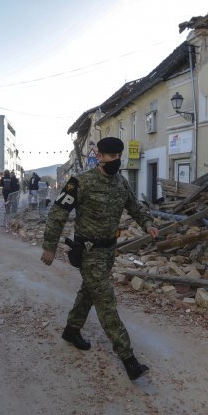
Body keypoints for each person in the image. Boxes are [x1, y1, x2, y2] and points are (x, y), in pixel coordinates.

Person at [40, 137, 159, 381]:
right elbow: (58, 213)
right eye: (110, 156)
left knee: (89, 292)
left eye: (118, 156)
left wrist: (147, 224)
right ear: (99, 156)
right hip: (88, 252)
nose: (115, 161)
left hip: (108, 251)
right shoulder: (80, 182)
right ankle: (129, 359)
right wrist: (49, 246)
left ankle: (72, 330)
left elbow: (135, 207)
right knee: (106, 301)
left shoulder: (121, 183)